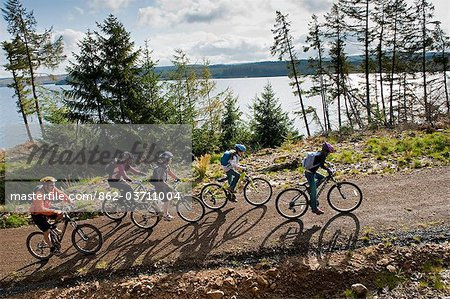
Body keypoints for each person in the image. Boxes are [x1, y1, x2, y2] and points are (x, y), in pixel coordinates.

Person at [29, 176, 70, 254]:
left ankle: (53, 228)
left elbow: (61, 194)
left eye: (53, 185)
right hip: (37, 214)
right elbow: (40, 209)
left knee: (61, 214)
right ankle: (52, 248)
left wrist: (70, 201)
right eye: (51, 185)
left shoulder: (51, 189)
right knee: (47, 231)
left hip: (45, 210)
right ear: (45, 185)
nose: (53, 187)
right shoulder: (39, 194)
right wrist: (54, 211)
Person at [304, 142, 335, 215]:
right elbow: (321, 165)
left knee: (322, 178)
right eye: (328, 152)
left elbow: (321, 161)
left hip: (310, 172)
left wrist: (328, 164)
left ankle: (310, 188)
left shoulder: (320, 153)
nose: (328, 154)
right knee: (314, 193)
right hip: (310, 174)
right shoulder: (322, 155)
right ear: (325, 150)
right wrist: (328, 169)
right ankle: (314, 209)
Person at [151, 151, 181, 221]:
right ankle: (165, 215)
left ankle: (162, 209)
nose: (171, 160)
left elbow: (170, 173)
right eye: (170, 159)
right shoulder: (161, 169)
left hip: (162, 185)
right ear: (166, 159)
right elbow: (160, 180)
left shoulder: (166, 166)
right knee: (167, 199)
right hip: (159, 186)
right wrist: (168, 186)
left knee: (170, 196)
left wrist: (177, 178)